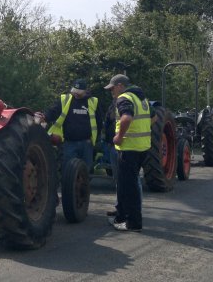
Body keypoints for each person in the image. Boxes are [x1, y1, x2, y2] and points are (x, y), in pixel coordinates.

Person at [105, 74, 152, 232]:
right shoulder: (141, 98)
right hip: (142, 147)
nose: (111, 91)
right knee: (128, 185)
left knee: (129, 188)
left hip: (129, 148)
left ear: (120, 85)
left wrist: (119, 136)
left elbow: (126, 118)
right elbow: (154, 118)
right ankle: (122, 216)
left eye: (112, 88)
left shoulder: (124, 98)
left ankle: (133, 223)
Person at [44, 78, 99, 172]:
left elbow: (99, 122)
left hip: (86, 143)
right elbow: (53, 111)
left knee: (86, 171)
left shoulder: (93, 101)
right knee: (68, 170)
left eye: (79, 92)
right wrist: (44, 117)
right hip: (69, 143)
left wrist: (96, 141)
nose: (76, 94)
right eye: (74, 91)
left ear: (85, 91)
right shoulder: (65, 99)